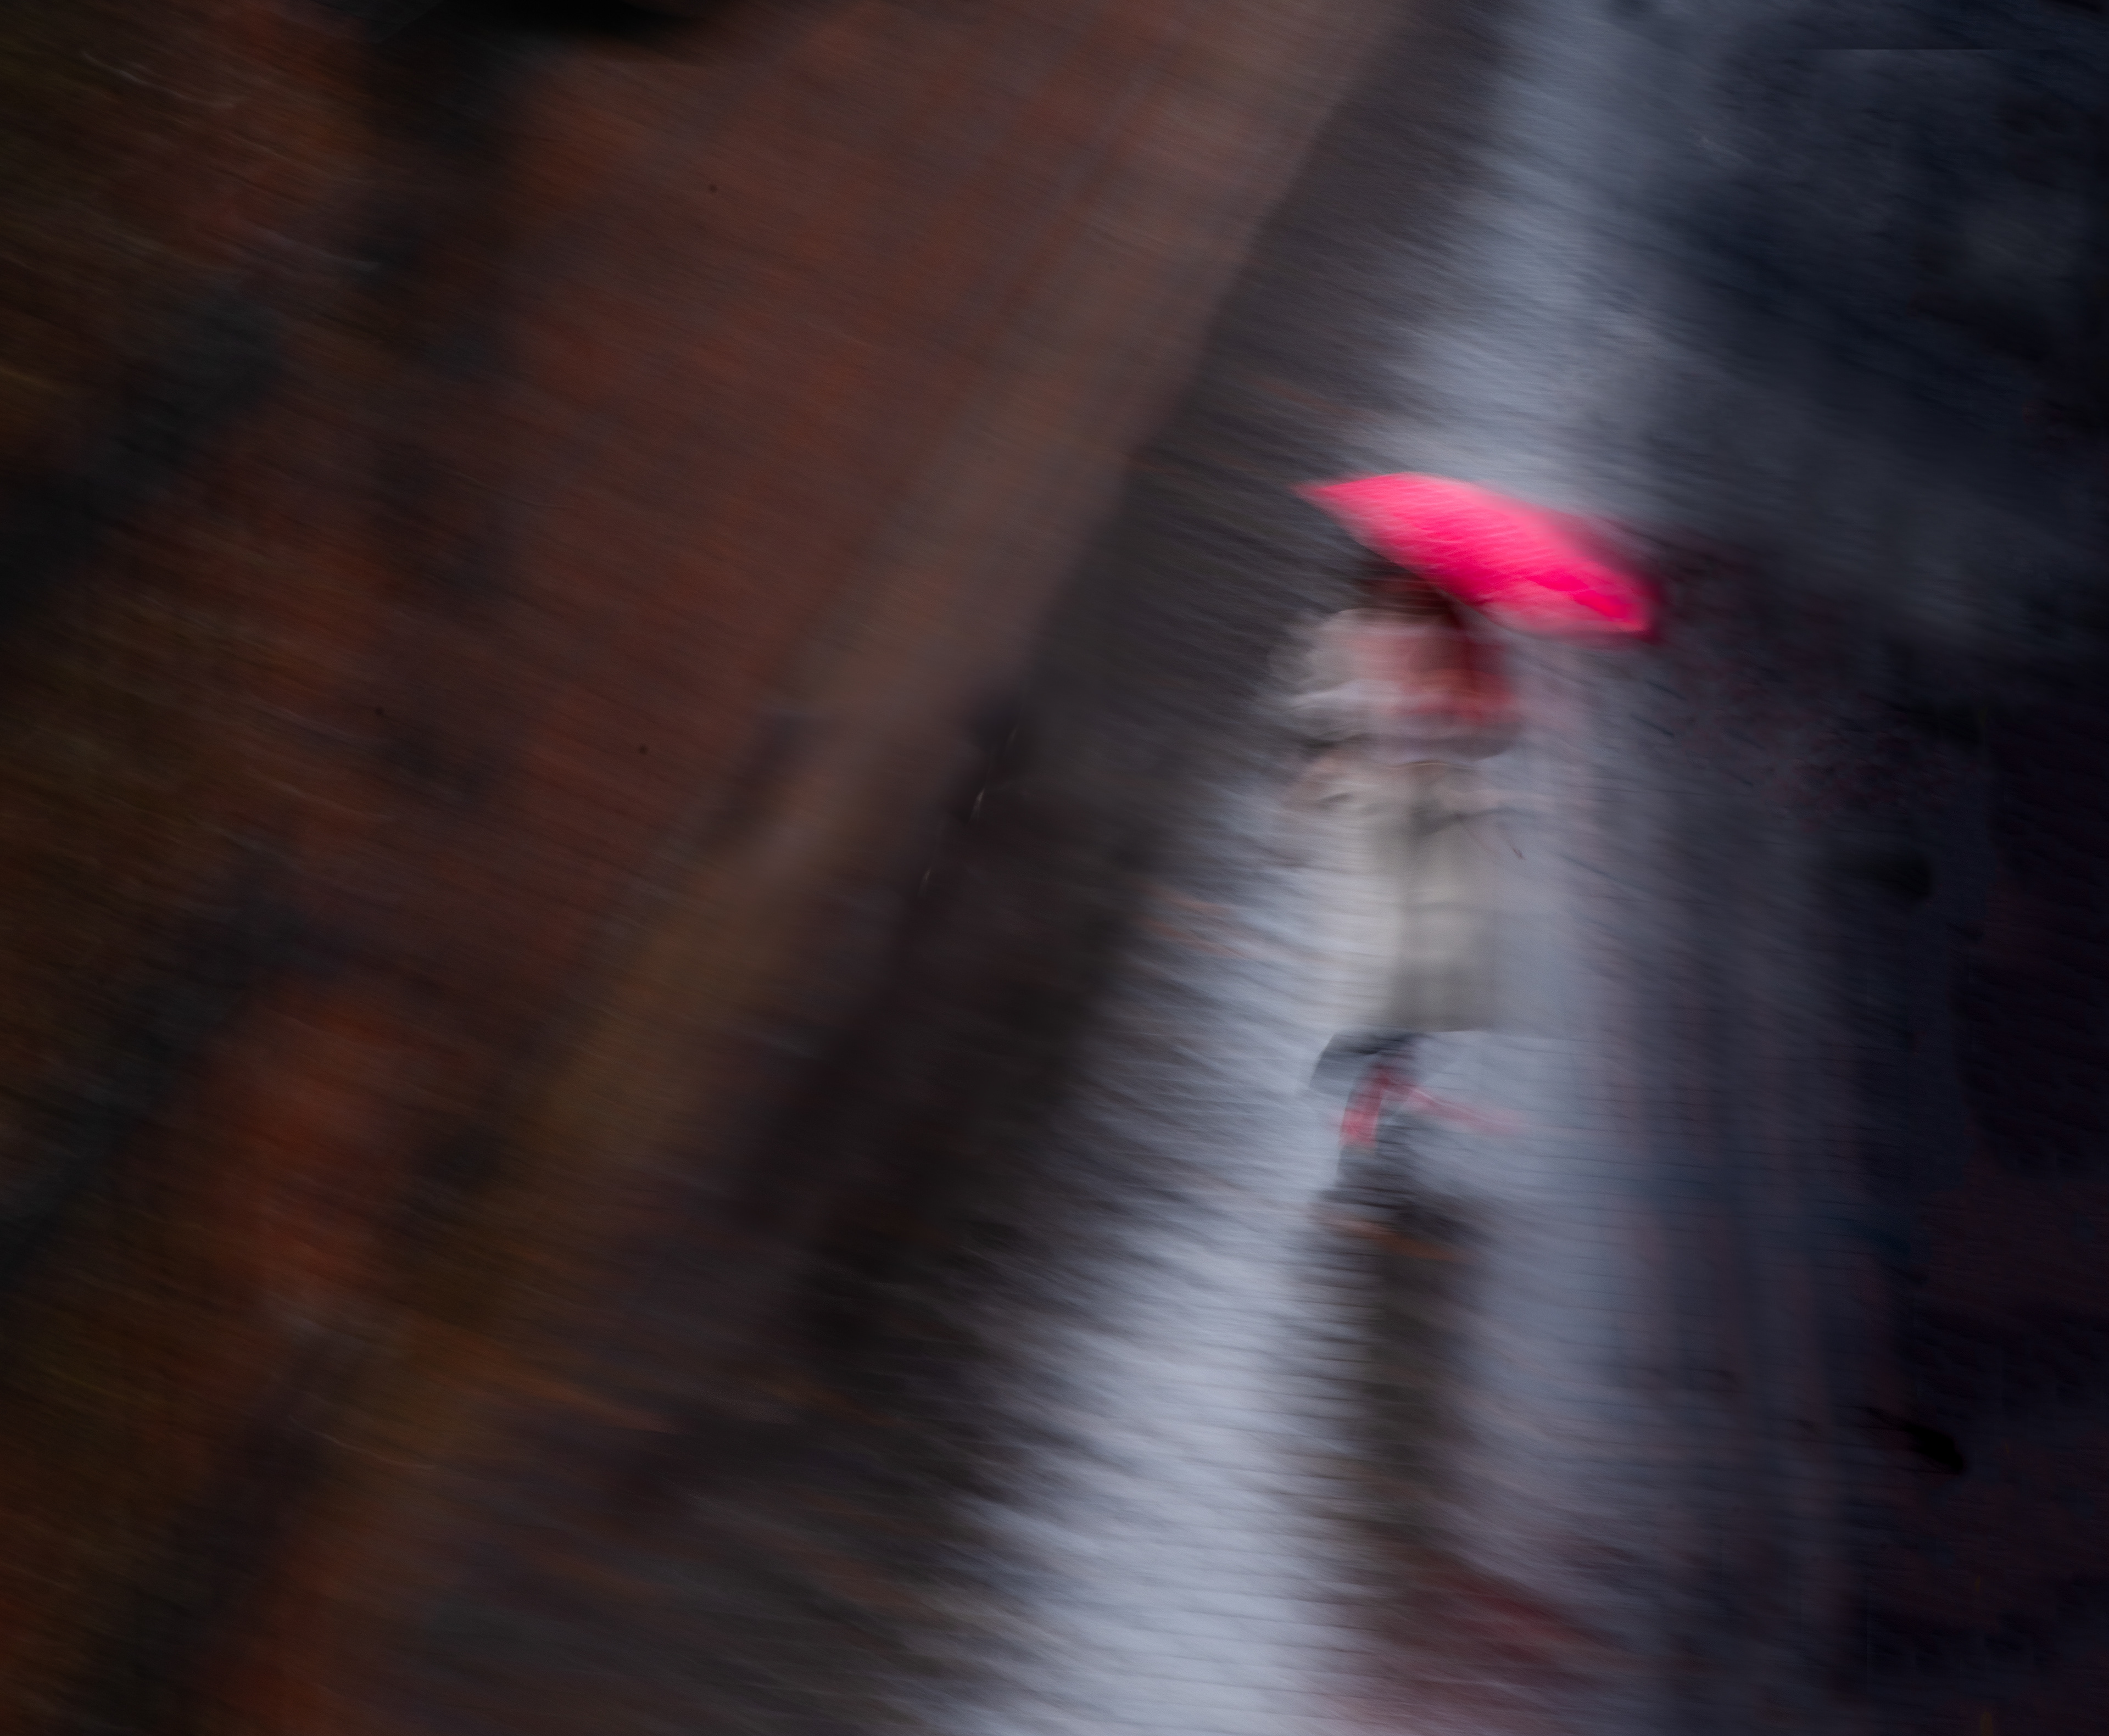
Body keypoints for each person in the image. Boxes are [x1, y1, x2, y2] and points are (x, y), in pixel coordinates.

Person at [1278, 552, 1520, 1215]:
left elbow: (1488, 734)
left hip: (1432, 824)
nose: (1400, 597)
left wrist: (1459, 718)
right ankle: (1364, 1080)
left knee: (1439, 974)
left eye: (1411, 590)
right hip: (1382, 829)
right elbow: (1324, 722)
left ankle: (1376, 1081)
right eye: (1391, 587)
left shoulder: (1457, 650)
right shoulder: (1354, 639)